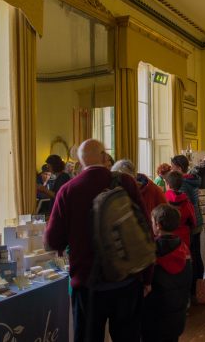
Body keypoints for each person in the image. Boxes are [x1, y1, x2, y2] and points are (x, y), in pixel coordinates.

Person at [45, 139, 152, 342]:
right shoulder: (125, 182)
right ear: (104, 157)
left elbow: (53, 239)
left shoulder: (68, 190)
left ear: (80, 162)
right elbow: (145, 228)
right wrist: (147, 278)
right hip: (127, 279)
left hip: (88, 284)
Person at [141, 204, 192, 342]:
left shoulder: (151, 250)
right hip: (177, 314)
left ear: (157, 225)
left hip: (154, 316)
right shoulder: (184, 249)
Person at [171, 155, 203, 296]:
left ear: (178, 167)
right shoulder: (192, 179)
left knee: (190, 256)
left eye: (172, 166)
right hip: (197, 220)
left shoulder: (182, 183)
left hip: (189, 223)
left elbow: (182, 206)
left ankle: (192, 290)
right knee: (196, 254)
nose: (171, 169)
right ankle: (198, 287)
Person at [165, 171, 196, 248]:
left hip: (167, 238)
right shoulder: (187, 202)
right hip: (184, 237)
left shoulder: (163, 199)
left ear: (167, 185)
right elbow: (193, 221)